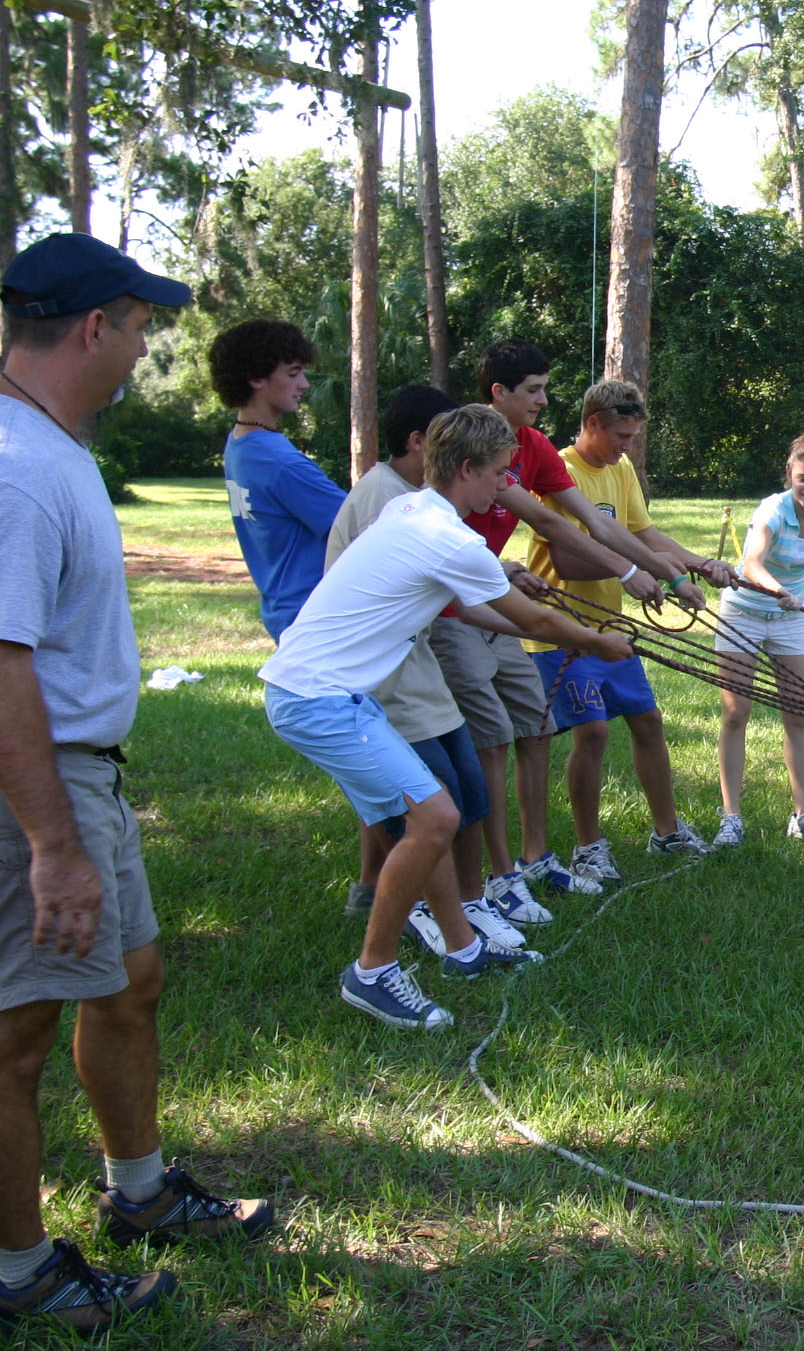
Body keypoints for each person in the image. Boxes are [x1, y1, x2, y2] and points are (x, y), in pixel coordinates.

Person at [0, 233, 271, 1332]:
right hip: (36, 785)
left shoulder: (52, 446)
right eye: (144, 322)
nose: (151, 343)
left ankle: (140, 1189)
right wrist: (52, 844)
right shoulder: (16, 468)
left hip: (87, 774)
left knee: (132, 979)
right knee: (13, 1033)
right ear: (94, 326)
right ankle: (18, 1270)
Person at [262, 405, 638, 1031]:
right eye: (497, 474)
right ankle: (373, 972)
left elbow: (477, 610)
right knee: (435, 817)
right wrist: (599, 640)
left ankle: (462, 946)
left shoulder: (413, 511)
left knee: (428, 815)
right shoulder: (445, 535)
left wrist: (511, 585)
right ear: (467, 469)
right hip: (316, 699)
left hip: (332, 694)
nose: (504, 488)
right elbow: (535, 622)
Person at [428, 340, 721, 903]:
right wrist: (631, 568)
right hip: (471, 612)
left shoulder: (532, 449)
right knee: (500, 742)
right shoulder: (478, 448)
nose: (543, 399)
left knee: (538, 733)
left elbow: (602, 525)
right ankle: (494, 879)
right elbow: (553, 532)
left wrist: (679, 572)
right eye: (534, 390)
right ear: (499, 392)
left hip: (503, 606)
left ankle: (534, 858)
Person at [327, 385, 539, 949]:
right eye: (495, 470)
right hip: (384, 670)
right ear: (425, 443)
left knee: (467, 787)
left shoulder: (415, 498)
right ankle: (431, 912)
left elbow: (457, 579)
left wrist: (504, 575)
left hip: (414, 661)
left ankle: (471, 901)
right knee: (428, 803)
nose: (500, 485)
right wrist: (576, 635)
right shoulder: (387, 496)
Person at [523, 380, 728, 872]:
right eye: (621, 436)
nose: (628, 447)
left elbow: (645, 534)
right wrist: (639, 572)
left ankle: (668, 831)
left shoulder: (622, 470)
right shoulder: (560, 471)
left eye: (634, 437)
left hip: (609, 628)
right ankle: (589, 849)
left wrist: (689, 567)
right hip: (559, 631)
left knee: (648, 721)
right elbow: (568, 561)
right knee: (592, 732)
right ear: (592, 423)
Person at [710, 432, 804, 849]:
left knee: (798, 714)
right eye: (803, 478)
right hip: (745, 611)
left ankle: (803, 814)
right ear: (790, 474)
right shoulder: (773, 508)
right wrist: (778, 591)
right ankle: (731, 818)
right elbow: (752, 562)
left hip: (790, 616)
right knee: (736, 713)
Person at [214, 318, 343, 641]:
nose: (304, 384)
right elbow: (355, 524)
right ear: (256, 378)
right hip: (315, 617)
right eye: (292, 373)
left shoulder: (239, 443)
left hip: (282, 611)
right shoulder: (279, 460)